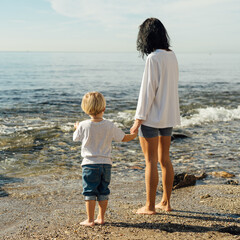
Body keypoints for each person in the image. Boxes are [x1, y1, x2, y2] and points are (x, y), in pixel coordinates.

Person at [130, 18, 181, 215]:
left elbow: (147, 91)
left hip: (151, 117)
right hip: (168, 115)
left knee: (150, 161)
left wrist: (138, 120)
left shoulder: (153, 58)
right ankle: (166, 203)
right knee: (164, 159)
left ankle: (150, 206)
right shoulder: (172, 55)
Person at [73, 92, 137, 226]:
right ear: (104, 108)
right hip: (106, 165)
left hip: (89, 165)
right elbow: (123, 138)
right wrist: (134, 135)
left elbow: (75, 138)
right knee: (103, 190)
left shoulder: (83, 125)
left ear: (85, 109)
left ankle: (90, 220)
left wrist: (77, 128)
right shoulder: (109, 125)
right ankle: (101, 218)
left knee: (89, 191)